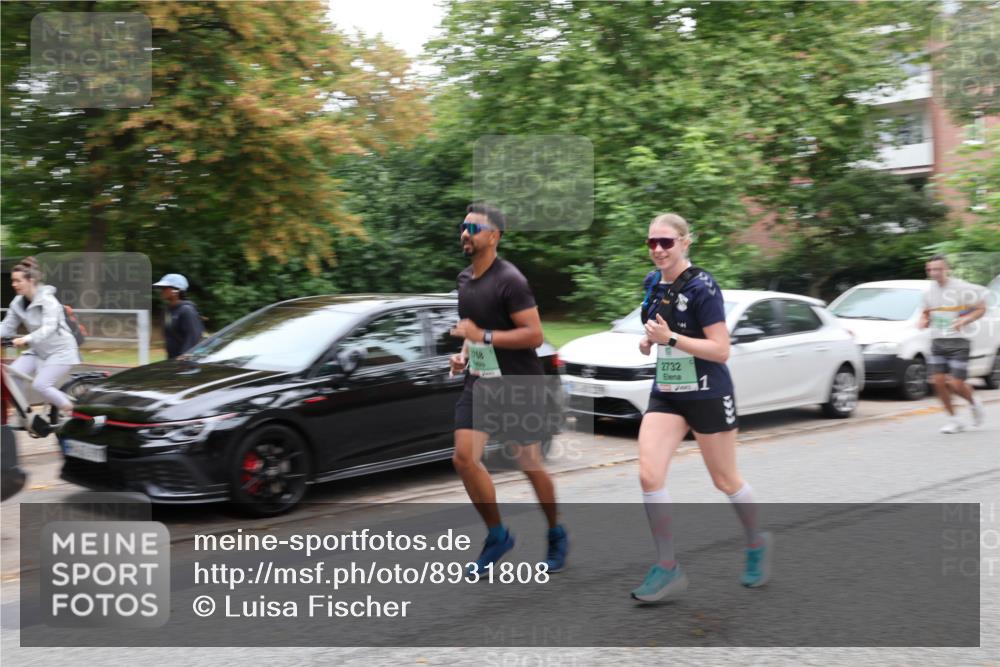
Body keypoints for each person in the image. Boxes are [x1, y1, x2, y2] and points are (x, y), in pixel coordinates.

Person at [630, 213, 771, 603]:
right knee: (648, 474)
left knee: (725, 481)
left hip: (709, 392)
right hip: (669, 392)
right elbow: (658, 329)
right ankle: (668, 567)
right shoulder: (651, 284)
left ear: (685, 242)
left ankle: (757, 542)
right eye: (651, 242)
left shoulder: (705, 287)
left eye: (667, 242)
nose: (658, 249)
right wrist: (650, 342)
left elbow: (720, 350)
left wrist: (671, 339)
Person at [448, 203, 569, 575]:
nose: (465, 233)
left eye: (474, 227)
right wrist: (464, 353)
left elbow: (534, 335)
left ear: (494, 236)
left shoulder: (510, 280)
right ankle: (497, 534)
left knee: (528, 462)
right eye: (463, 226)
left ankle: (555, 532)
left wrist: (481, 335)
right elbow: (474, 326)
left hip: (519, 382)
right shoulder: (464, 280)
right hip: (482, 381)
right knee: (464, 459)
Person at [0, 257, 81, 421]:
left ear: (31, 280)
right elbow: (7, 326)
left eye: (17, 280)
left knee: (41, 384)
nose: (13, 284)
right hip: (39, 350)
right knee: (12, 375)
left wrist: (26, 338)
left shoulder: (48, 300)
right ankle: (25, 415)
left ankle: (76, 413)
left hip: (61, 351)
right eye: (12, 281)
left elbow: (49, 328)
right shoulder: (17, 302)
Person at [919, 255, 987, 434]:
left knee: (957, 384)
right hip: (938, 341)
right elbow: (925, 313)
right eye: (931, 270)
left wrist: (965, 320)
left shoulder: (961, 288)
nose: (934, 273)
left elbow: (981, 307)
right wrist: (923, 320)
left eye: (938, 269)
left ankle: (974, 402)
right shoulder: (928, 293)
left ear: (946, 269)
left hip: (959, 341)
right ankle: (954, 420)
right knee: (938, 381)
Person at [153, 273, 204, 359]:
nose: (161, 291)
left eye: (165, 288)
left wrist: (183, 357)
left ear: (176, 290)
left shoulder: (187, 310)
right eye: (161, 288)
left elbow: (193, 336)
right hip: (172, 360)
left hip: (185, 362)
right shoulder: (166, 310)